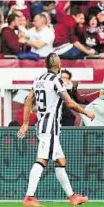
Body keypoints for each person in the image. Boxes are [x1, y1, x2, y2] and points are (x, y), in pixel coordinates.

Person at [18, 53, 95, 207]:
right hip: (50, 126)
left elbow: (28, 101)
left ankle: (73, 197)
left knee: (60, 161)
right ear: (59, 65)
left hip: (43, 124)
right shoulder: (56, 81)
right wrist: (86, 112)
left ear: (46, 65)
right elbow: (70, 103)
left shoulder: (38, 79)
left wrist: (25, 123)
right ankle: (29, 197)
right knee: (42, 160)